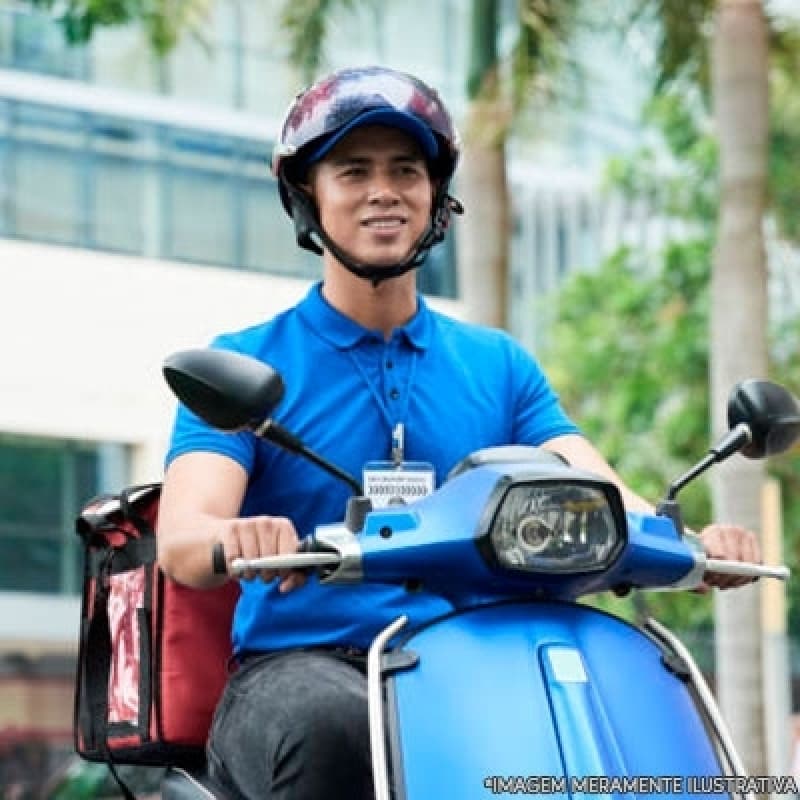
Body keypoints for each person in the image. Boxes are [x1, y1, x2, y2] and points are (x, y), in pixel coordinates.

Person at [156, 65, 760, 800]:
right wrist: (239, 538)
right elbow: (185, 539)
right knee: (335, 730)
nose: (384, 190)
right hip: (307, 663)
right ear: (307, 195)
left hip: (479, 665)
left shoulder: (498, 365)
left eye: (406, 169)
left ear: (436, 196)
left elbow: (597, 487)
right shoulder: (250, 362)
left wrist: (692, 544)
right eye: (353, 170)